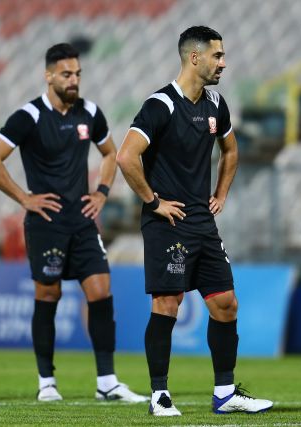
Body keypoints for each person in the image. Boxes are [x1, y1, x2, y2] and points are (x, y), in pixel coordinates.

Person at [116, 26, 273, 416]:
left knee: (226, 304)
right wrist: (153, 202)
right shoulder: (161, 105)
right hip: (167, 223)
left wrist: (221, 193)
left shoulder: (216, 103)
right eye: (217, 55)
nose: (224, 63)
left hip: (202, 222)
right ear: (194, 57)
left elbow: (230, 150)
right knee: (167, 304)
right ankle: (159, 395)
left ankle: (225, 394)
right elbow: (126, 156)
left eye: (223, 56)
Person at [0, 43, 147, 403]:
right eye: (66, 74)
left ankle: (107, 382)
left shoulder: (90, 113)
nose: (74, 80)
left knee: (101, 290)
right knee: (48, 294)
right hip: (46, 223)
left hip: (82, 221)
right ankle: (46, 382)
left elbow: (111, 154)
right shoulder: (29, 116)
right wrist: (24, 198)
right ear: (49, 76)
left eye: (78, 74)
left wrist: (102, 191)